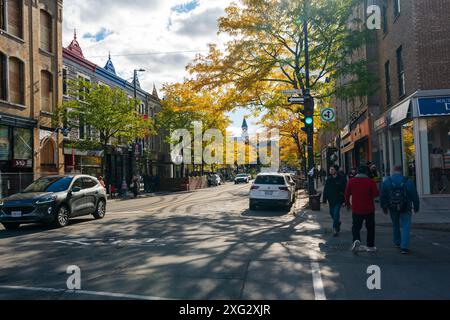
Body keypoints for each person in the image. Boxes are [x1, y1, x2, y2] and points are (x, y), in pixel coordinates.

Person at [380, 166, 420, 255]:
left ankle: (397, 242)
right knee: (406, 226)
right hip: (406, 207)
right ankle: (404, 247)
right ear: (401, 171)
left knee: (395, 224)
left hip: (392, 207)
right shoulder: (408, 181)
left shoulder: (387, 181)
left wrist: (384, 207)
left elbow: (382, 196)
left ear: (393, 171)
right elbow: (414, 195)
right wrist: (416, 206)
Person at [345, 165, 380, 253]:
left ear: (357, 172)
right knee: (370, 227)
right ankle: (370, 245)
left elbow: (346, 194)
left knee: (356, 227)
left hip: (356, 208)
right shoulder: (370, 181)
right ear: (366, 172)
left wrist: (348, 204)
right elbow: (376, 194)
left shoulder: (351, 181)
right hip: (369, 209)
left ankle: (356, 240)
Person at [323, 165, 347, 237]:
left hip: (338, 199)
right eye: (330, 169)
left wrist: (345, 200)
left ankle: (335, 229)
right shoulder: (329, 179)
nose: (331, 171)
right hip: (331, 200)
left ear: (336, 170)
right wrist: (324, 199)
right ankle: (338, 223)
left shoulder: (341, 178)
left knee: (336, 213)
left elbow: (345, 189)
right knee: (331, 213)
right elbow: (325, 190)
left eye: (332, 169)